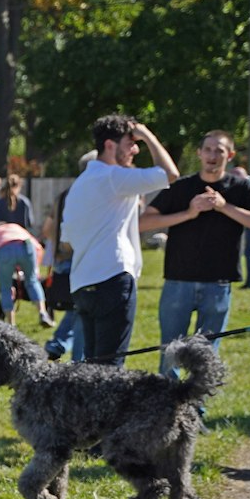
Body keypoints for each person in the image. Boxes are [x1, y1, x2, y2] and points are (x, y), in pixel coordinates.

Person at [139, 131, 250, 373]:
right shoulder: (181, 188)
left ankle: (197, 407)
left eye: (219, 150)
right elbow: (143, 222)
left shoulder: (242, 188)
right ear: (199, 153)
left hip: (218, 283)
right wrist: (189, 213)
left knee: (206, 354)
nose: (213, 155)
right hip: (178, 280)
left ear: (229, 155)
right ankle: (166, 405)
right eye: (208, 150)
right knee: (170, 350)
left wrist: (225, 207)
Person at [62, 115, 180, 365]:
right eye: (130, 143)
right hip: (113, 279)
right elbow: (170, 174)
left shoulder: (81, 183)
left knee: (92, 368)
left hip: (83, 283)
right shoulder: (113, 177)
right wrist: (147, 134)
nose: (135, 150)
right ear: (109, 146)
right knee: (110, 371)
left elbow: (67, 240)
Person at [43, 151, 97, 362]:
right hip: (82, 259)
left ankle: (58, 345)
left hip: (62, 259)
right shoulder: (91, 195)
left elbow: (48, 228)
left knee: (76, 309)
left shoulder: (64, 194)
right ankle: (75, 362)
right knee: (82, 311)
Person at [0, 223, 56, 328]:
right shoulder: (16, 227)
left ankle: (11, 324)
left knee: (5, 288)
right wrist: (36, 270)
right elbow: (38, 248)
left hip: (4, 250)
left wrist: (3, 276)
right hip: (26, 245)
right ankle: (43, 313)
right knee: (32, 281)